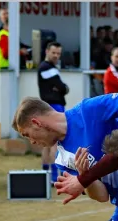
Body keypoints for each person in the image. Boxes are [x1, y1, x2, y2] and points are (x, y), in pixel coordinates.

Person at [37, 41, 69, 186]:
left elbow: (61, 88)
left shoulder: (49, 68)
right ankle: (54, 176)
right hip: (54, 106)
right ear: (47, 52)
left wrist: (61, 88)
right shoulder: (47, 68)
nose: (56, 56)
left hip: (49, 107)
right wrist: (61, 89)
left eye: (58, 53)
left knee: (46, 143)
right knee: (54, 142)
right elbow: (63, 88)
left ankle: (46, 173)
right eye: (54, 53)